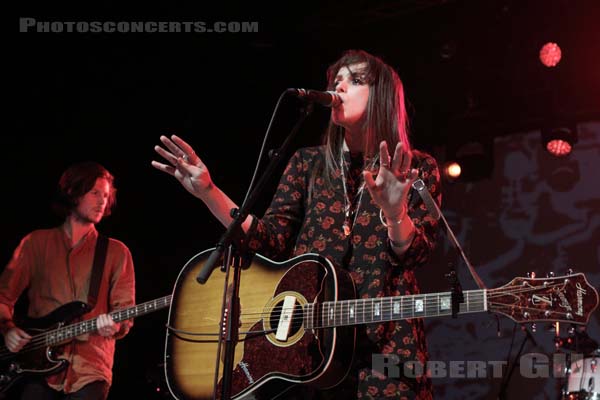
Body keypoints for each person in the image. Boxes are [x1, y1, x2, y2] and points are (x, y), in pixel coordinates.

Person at [152, 49, 441, 399]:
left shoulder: (417, 168)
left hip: (386, 344)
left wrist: (396, 214)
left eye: (355, 80)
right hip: (308, 352)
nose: (340, 87)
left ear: (381, 95)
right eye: (336, 81)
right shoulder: (307, 164)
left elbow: (417, 256)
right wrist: (208, 192)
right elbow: (269, 239)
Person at [0, 162, 136, 400]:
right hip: (36, 367)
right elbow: (3, 297)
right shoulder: (36, 243)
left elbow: (125, 311)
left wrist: (114, 326)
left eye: (106, 195)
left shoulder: (116, 252)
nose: (102, 201)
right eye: (94, 192)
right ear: (73, 192)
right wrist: (8, 329)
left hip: (91, 369)